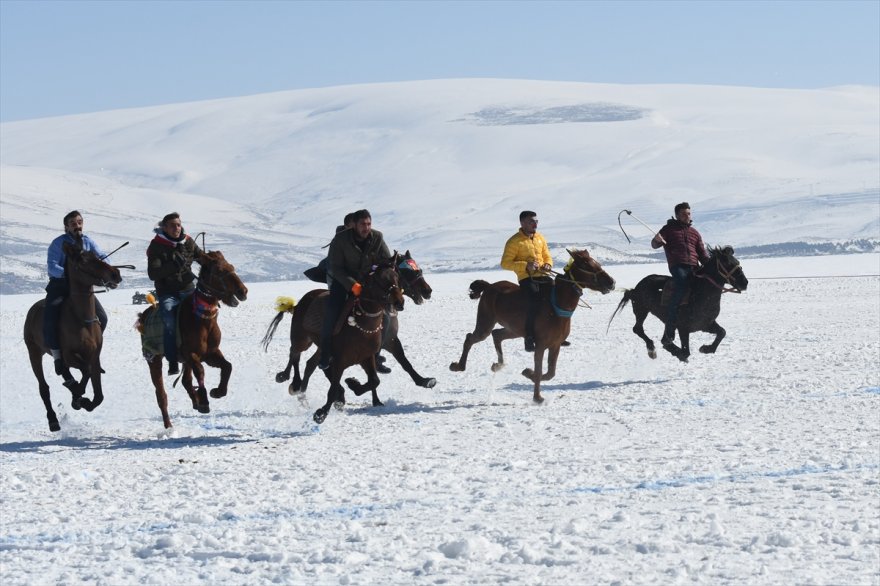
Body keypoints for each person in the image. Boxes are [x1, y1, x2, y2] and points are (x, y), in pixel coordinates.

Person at [318, 209, 391, 371]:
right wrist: (352, 285)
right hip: (343, 282)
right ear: (355, 225)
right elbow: (336, 267)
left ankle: (376, 355)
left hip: (368, 284)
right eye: (362, 224)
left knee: (385, 316)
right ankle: (326, 352)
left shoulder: (377, 237)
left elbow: (386, 262)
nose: (366, 228)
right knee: (332, 310)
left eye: (368, 224)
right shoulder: (341, 239)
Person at [44, 210, 108, 383]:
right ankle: (58, 356)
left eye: (79, 222)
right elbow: (52, 267)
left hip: (81, 290)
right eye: (73, 223)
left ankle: (93, 354)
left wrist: (105, 267)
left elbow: (101, 257)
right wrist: (71, 274)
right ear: (66, 226)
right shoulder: (58, 243)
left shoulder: (88, 242)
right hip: (60, 286)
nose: (77, 225)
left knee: (102, 317)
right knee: (50, 318)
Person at [147, 212, 203, 375]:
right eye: (172, 225)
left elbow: (201, 257)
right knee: (169, 321)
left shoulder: (188, 241)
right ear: (164, 228)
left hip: (188, 289)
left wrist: (213, 260)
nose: (176, 228)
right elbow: (153, 274)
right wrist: (173, 265)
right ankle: (172, 360)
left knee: (206, 314)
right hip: (168, 293)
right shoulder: (156, 246)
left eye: (178, 225)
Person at [651, 201, 710, 347]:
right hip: (678, 266)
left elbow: (702, 253)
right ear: (677, 215)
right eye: (684, 214)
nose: (687, 216)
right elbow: (654, 244)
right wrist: (657, 240)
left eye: (689, 213)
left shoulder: (694, 233)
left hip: (694, 267)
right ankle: (670, 329)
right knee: (682, 286)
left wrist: (710, 266)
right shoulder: (668, 229)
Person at [501, 210, 553, 352]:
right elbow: (505, 263)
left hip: (543, 275)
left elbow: (547, 256)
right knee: (534, 303)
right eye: (531, 221)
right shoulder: (514, 241)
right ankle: (529, 337)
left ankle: (555, 334)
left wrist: (548, 264)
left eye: (536, 221)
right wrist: (525, 265)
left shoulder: (540, 238)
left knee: (556, 297)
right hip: (526, 278)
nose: (535, 224)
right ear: (522, 223)